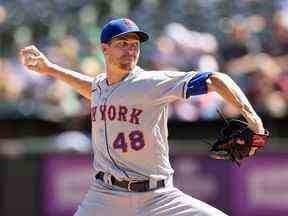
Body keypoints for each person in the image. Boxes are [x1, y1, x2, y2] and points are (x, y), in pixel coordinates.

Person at [20, 18, 265, 216]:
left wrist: (251, 117)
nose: (131, 50)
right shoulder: (101, 87)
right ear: (104, 49)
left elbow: (216, 79)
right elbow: (91, 88)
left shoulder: (150, 83)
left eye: (135, 44)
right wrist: (49, 68)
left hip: (158, 197)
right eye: (123, 43)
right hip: (105, 196)